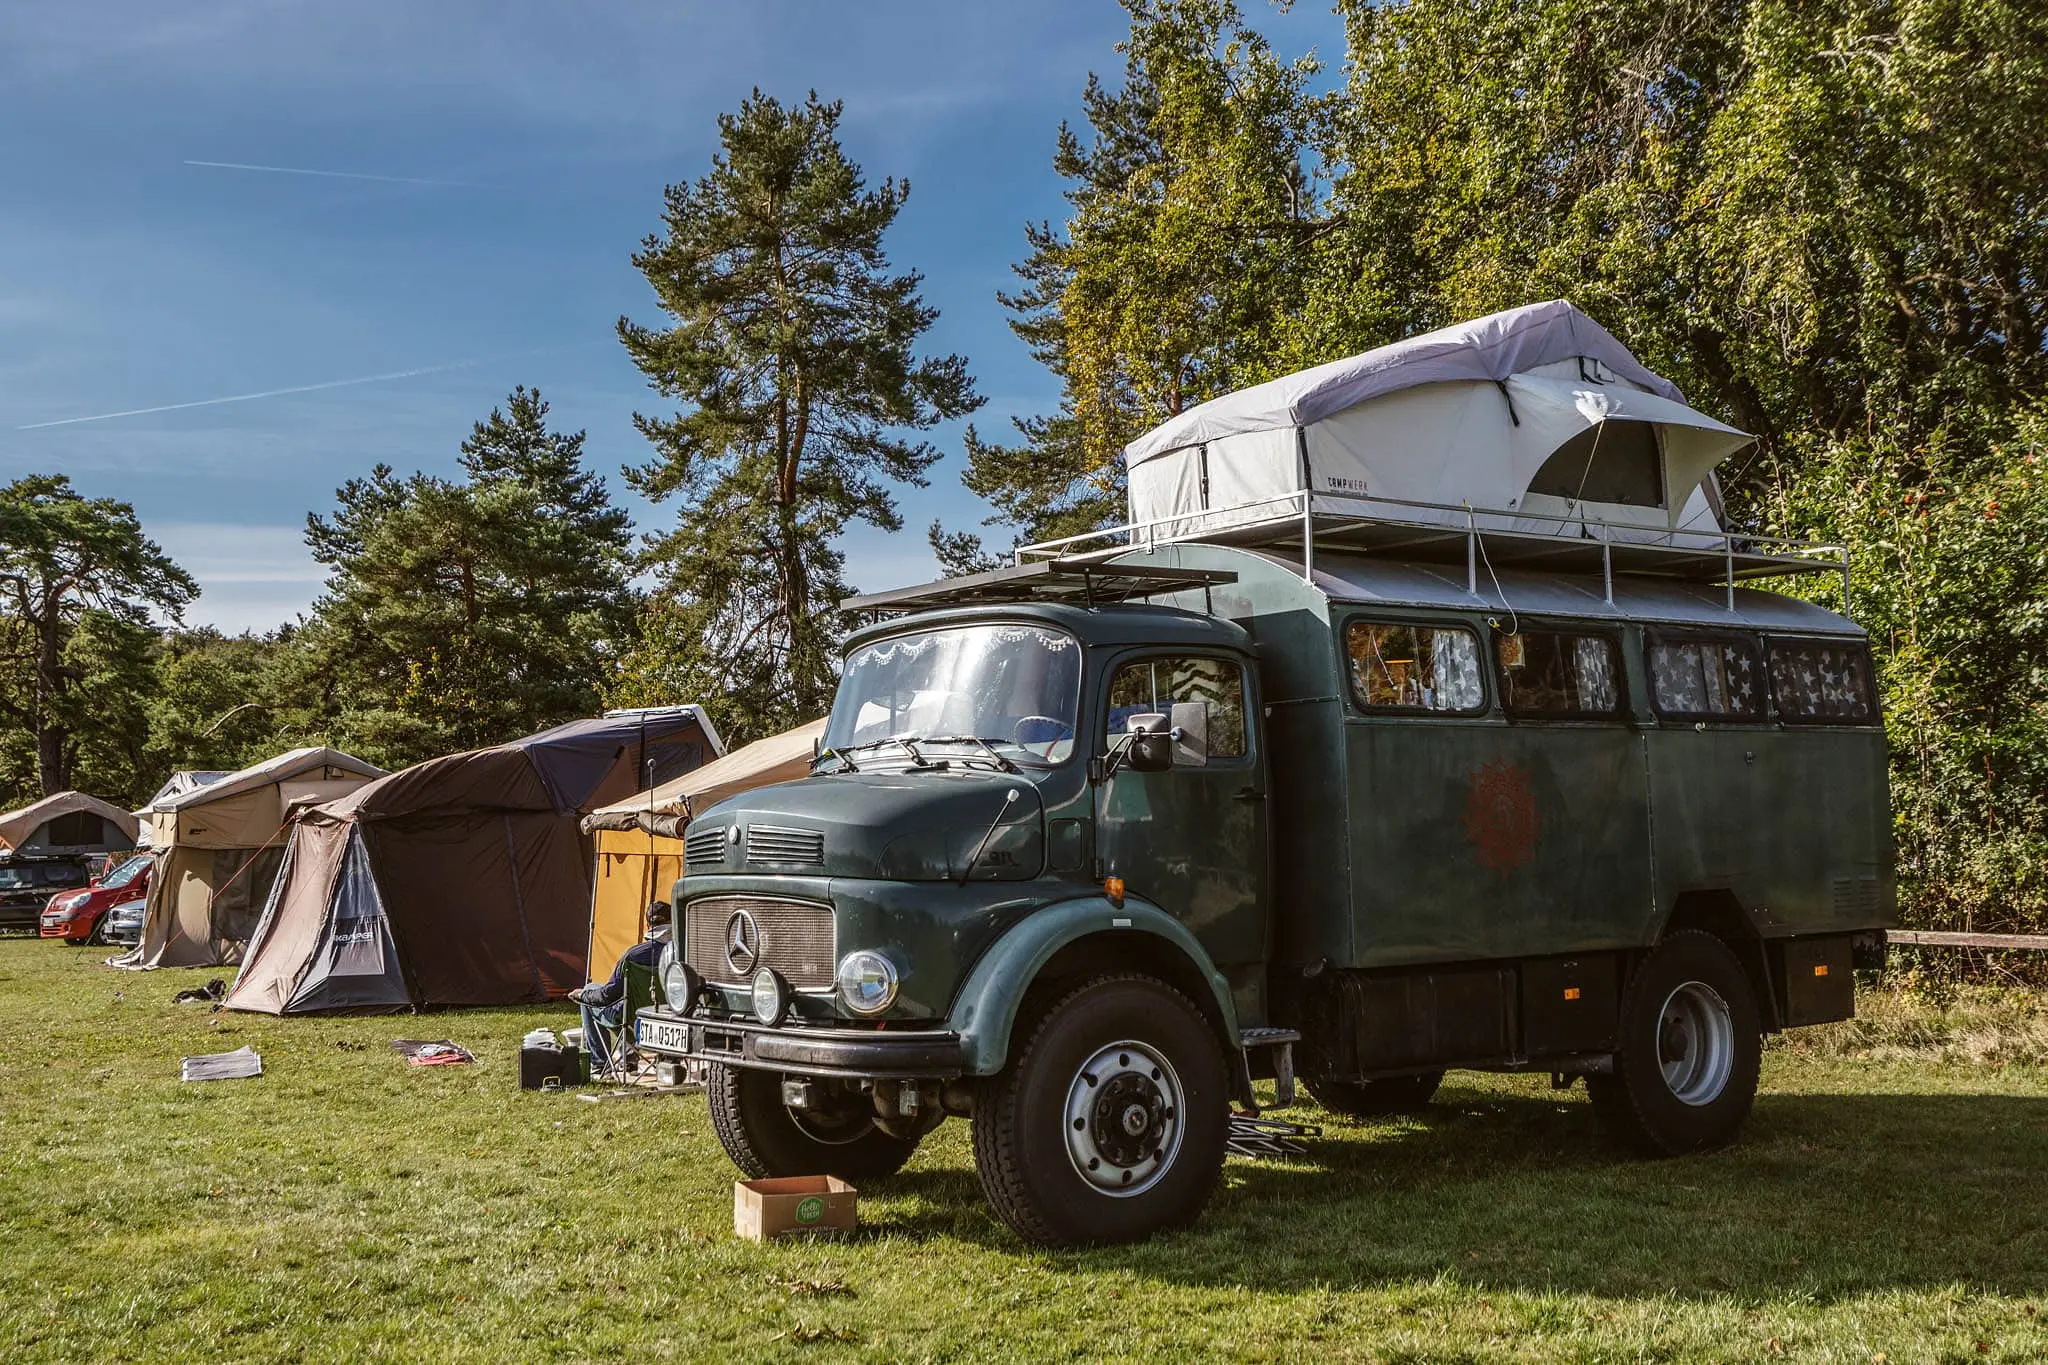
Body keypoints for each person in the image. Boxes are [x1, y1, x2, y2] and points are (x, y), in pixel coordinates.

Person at [569, 900, 671, 1077]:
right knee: (625, 1002)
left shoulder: (633, 955)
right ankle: (629, 1057)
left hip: (632, 1017)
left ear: (648, 924)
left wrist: (582, 995)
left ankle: (601, 1064)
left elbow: (606, 996)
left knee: (591, 992)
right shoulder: (681, 952)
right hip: (669, 1016)